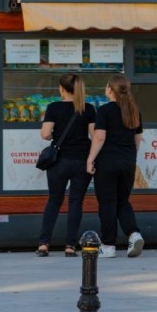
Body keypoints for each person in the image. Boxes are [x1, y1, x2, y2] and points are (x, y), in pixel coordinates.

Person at [37, 74, 96, 258]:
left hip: (59, 162)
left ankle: (44, 244)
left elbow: (45, 134)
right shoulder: (88, 109)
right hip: (81, 160)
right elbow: (95, 136)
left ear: (62, 89)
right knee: (75, 202)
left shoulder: (54, 107)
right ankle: (70, 246)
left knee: (54, 200)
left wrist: (55, 134)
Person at [86, 75, 145, 258]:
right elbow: (137, 140)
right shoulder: (134, 111)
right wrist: (130, 158)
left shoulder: (104, 110)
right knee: (122, 201)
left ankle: (108, 245)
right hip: (127, 162)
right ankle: (134, 234)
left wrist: (90, 159)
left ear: (110, 90)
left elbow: (99, 137)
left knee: (107, 203)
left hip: (107, 162)